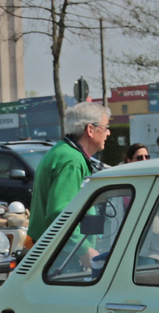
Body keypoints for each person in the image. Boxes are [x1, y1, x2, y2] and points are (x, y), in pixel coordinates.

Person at [28, 101, 110, 242]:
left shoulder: (63, 151)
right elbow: (60, 213)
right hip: (65, 255)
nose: (108, 132)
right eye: (105, 127)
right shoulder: (72, 160)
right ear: (90, 129)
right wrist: (83, 250)